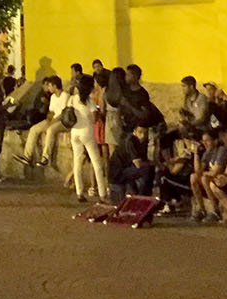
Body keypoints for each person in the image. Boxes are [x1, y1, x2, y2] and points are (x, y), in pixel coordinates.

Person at [66, 74, 107, 203]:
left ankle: (79, 192)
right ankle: (102, 194)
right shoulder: (90, 102)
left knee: (77, 162)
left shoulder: (72, 99)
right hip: (87, 133)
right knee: (96, 163)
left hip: (74, 132)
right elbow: (95, 118)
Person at [17, 75, 66, 168]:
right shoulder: (53, 97)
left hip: (61, 121)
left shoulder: (65, 96)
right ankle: (27, 156)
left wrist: (52, 121)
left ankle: (45, 157)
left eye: (50, 85)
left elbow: (63, 113)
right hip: (52, 120)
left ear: (55, 86)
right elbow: (51, 111)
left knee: (50, 130)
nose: (49, 88)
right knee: (34, 129)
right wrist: (48, 119)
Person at [189, 130, 227, 223]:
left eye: (207, 141)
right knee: (193, 177)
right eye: (203, 141)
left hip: (221, 180)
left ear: (215, 141)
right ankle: (202, 209)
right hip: (211, 178)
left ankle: (215, 210)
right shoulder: (207, 153)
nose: (205, 143)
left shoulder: (221, 151)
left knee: (204, 178)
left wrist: (203, 173)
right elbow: (198, 171)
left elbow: (215, 172)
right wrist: (196, 154)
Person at [107, 124, 153, 199]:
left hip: (125, 172)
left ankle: (137, 194)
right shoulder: (131, 141)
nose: (143, 135)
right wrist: (155, 163)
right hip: (117, 175)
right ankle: (142, 196)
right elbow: (138, 164)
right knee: (145, 170)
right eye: (140, 132)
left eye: (145, 133)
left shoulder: (142, 142)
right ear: (134, 132)